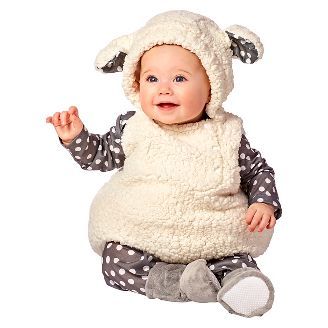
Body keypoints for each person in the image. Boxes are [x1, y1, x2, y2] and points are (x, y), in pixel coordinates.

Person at [46, 10, 282, 318]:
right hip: (144, 233)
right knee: (114, 259)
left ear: (214, 83)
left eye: (180, 78)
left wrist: (263, 203)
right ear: (136, 83)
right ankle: (179, 283)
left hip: (210, 233)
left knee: (237, 258)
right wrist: (75, 137)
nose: (164, 88)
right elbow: (100, 157)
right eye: (152, 78)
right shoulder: (133, 127)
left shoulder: (227, 133)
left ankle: (238, 282)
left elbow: (257, 170)